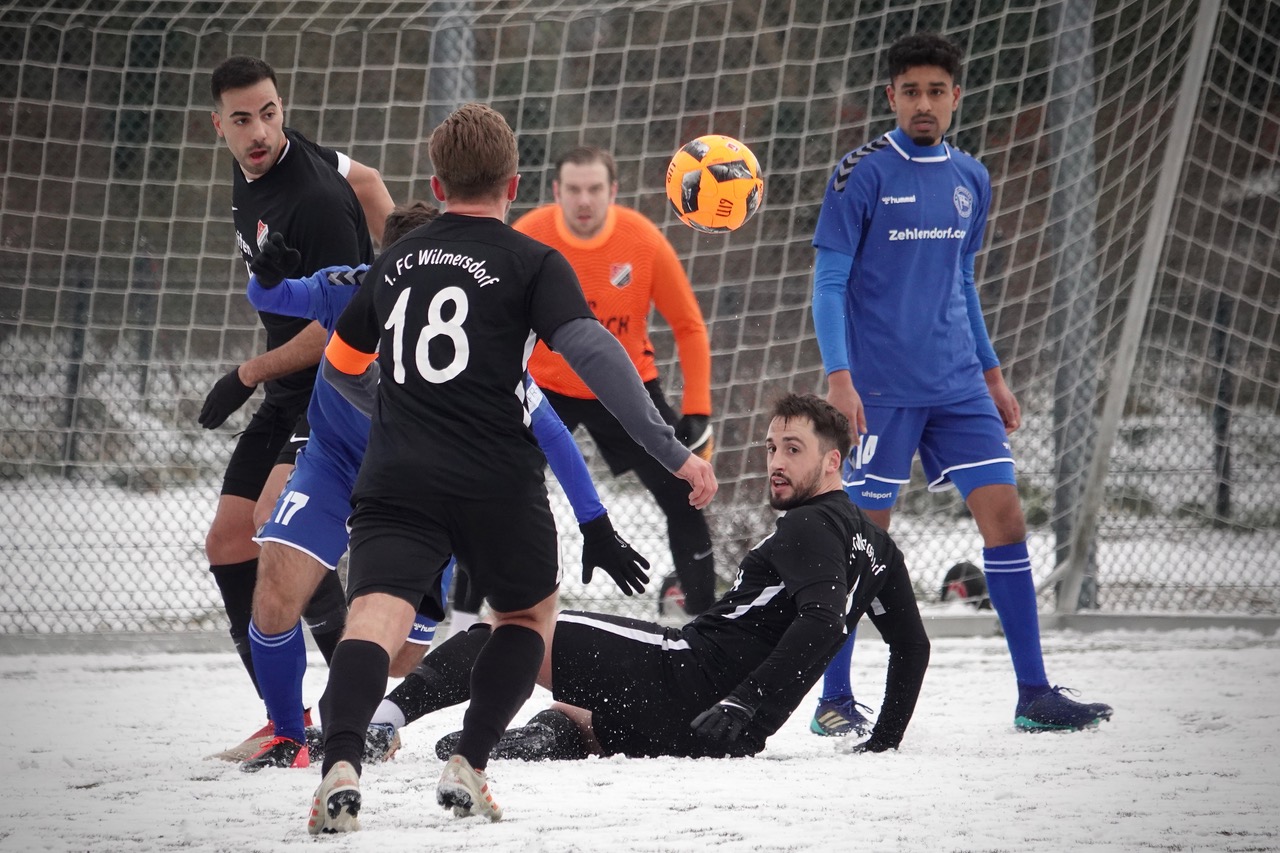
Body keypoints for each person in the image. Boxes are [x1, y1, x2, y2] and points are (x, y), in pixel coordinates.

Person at [309, 103, 716, 833]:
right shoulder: (532, 259)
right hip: (495, 476)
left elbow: (341, 365)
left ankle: (342, 760)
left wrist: (402, 405)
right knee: (526, 616)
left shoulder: (396, 260)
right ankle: (469, 760)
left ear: (435, 186)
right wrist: (673, 449)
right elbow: (592, 353)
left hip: (398, 473)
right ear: (516, 184)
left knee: (372, 618)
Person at [232, 202, 652, 773]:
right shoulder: (356, 290)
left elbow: (550, 431)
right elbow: (277, 298)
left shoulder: (479, 342)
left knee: (404, 654)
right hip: (335, 463)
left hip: (417, 485)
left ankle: (366, 697)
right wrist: (266, 274)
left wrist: (595, 521)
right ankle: (289, 736)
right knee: (277, 586)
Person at [352, 393, 929, 766]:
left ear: (833, 462)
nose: (775, 461)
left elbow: (822, 620)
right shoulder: (877, 547)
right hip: (716, 734)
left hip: (684, 675)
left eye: (794, 450)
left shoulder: (807, 523)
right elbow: (911, 644)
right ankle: (560, 733)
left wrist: (741, 699)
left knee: (511, 630)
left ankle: (379, 724)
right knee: (581, 714)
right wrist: (886, 738)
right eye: (772, 446)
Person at [809, 32, 1112, 735]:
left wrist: (993, 373)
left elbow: (963, 282)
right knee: (861, 541)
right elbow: (828, 283)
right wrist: (840, 378)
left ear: (955, 98)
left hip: (957, 384)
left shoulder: (971, 178)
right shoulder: (860, 174)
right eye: (910, 90)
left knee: (1006, 518)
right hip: (878, 390)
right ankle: (834, 697)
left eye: (936, 91)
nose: (923, 103)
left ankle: (1033, 693)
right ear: (891, 97)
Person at [201, 55, 394, 753]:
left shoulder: (311, 199)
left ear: (283, 106)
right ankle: (288, 719)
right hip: (286, 384)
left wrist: (247, 372)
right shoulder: (258, 161)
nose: (261, 132)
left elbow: (341, 327)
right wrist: (408, 241)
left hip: (333, 384)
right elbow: (369, 177)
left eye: (271, 113)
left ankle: (358, 709)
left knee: (272, 528)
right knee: (227, 540)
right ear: (218, 124)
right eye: (245, 118)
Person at [515, 147, 718, 618]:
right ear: (555, 192)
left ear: (613, 192)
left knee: (685, 495)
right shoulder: (529, 237)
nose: (583, 200)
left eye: (594, 189)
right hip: (543, 388)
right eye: (573, 189)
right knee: (492, 489)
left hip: (626, 390)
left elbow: (688, 325)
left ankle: (707, 624)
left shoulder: (643, 241)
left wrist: (698, 408)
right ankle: (464, 616)